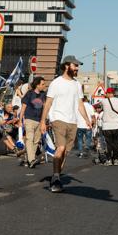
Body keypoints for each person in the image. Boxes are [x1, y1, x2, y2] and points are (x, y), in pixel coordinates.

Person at [39, 55, 92, 192]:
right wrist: (43, 121)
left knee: (64, 152)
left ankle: (56, 176)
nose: (77, 68)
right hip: (58, 119)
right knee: (60, 148)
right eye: (75, 66)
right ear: (67, 66)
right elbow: (48, 103)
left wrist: (86, 119)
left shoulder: (77, 85)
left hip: (72, 122)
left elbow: (80, 104)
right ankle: (56, 178)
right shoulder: (56, 83)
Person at [19, 76, 47, 169]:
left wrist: (45, 121)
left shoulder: (44, 95)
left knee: (36, 141)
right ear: (37, 85)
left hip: (39, 121)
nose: (44, 86)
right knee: (29, 139)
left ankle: (30, 159)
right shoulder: (29, 94)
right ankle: (31, 159)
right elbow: (23, 107)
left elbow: (45, 108)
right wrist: (20, 120)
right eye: (42, 84)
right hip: (29, 119)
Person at [99, 88, 118, 165]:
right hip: (116, 125)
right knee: (115, 143)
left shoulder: (104, 101)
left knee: (108, 144)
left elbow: (98, 107)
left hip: (106, 125)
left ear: (108, 93)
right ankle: (115, 159)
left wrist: (104, 96)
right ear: (114, 93)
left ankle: (108, 160)